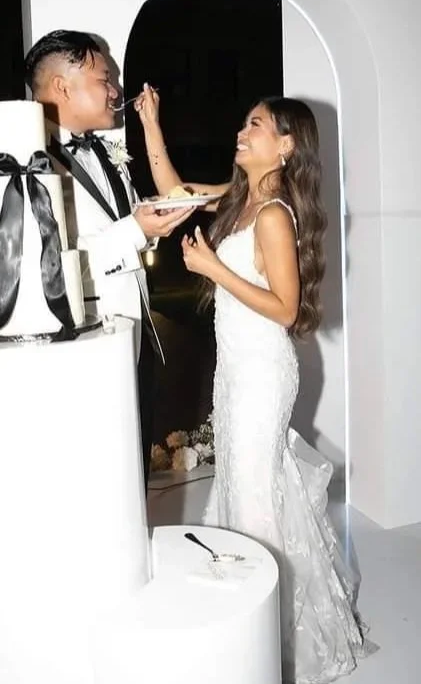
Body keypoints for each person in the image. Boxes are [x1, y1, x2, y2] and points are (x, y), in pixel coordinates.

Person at [135, 85, 371, 683]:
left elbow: (287, 309)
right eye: (244, 123)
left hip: (264, 374)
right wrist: (151, 123)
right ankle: (249, 619)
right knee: (246, 487)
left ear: (286, 146)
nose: (242, 131)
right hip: (235, 370)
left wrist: (213, 268)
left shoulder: (271, 215)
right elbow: (176, 191)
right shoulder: (241, 200)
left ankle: (267, 638)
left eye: (257, 125)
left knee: (256, 496)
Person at [24, 32, 193, 488]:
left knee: (130, 471)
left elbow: (125, 229)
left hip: (132, 342)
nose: (116, 89)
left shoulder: (104, 150)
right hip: (81, 347)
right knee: (93, 478)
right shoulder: (26, 162)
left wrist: (150, 224)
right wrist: (137, 229)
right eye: (105, 78)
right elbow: (49, 268)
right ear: (62, 87)